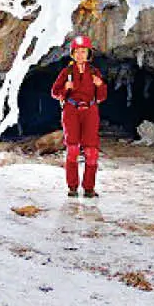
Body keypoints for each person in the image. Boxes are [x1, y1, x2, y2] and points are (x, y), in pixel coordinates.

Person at [51, 34, 107, 197]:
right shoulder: (67, 72)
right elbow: (55, 93)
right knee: (73, 149)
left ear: (88, 53)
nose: (80, 55)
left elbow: (101, 97)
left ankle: (89, 188)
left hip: (90, 111)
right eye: (77, 52)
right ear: (73, 54)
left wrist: (100, 85)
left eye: (83, 52)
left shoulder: (95, 72)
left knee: (91, 152)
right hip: (71, 111)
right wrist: (66, 88)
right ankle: (73, 187)